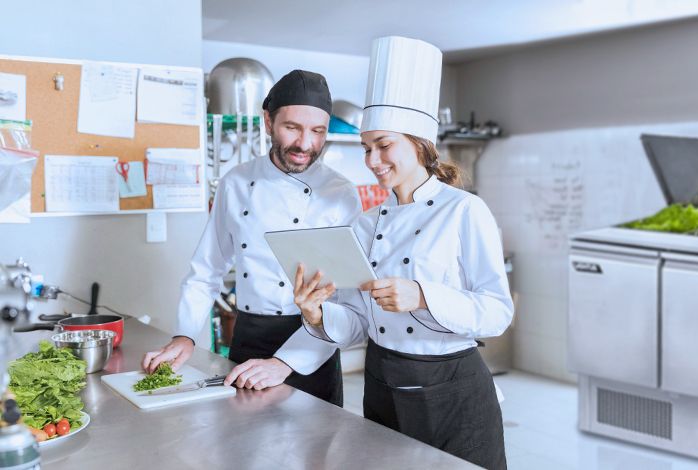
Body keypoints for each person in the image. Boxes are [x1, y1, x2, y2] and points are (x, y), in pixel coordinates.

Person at [293, 36, 513, 469]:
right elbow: (357, 324)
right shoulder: (364, 223)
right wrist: (317, 314)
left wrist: (423, 295)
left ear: (419, 143)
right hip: (381, 382)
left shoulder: (464, 210)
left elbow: (497, 312)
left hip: (451, 389)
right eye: (366, 147)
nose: (373, 160)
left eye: (384, 145)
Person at [142, 70, 362, 407]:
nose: (305, 144)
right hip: (249, 338)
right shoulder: (236, 183)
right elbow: (206, 269)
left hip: (312, 342)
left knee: (317, 453)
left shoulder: (341, 193)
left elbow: (346, 300)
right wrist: (184, 335)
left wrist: (285, 363)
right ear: (268, 121)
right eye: (292, 128)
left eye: (318, 131)